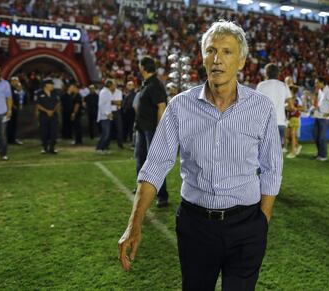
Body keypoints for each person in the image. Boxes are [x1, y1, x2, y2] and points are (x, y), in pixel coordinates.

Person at [118, 20, 283, 291]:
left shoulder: (261, 108)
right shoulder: (180, 106)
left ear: (241, 62)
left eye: (227, 52)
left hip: (246, 224)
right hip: (196, 226)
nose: (217, 59)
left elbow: (272, 168)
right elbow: (155, 166)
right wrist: (134, 223)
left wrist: (261, 222)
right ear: (203, 57)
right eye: (211, 50)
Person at [134, 55, 169, 207]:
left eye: (140, 65)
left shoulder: (154, 84)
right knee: (140, 159)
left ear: (144, 67)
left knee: (155, 162)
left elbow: (161, 106)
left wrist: (160, 130)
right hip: (142, 128)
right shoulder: (147, 83)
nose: (138, 68)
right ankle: (142, 188)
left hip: (151, 129)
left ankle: (162, 195)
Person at [256, 63, 293, 149]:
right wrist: (281, 105)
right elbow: (291, 106)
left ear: (266, 73)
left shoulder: (261, 85)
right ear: (278, 73)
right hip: (280, 123)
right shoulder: (284, 85)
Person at [313, 77, 329, 161]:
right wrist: (315, 94)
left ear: (322, 82)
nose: (316, 84)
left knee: (322, 137)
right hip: (318, 116)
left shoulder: (328, 90)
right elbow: (317, 103)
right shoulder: (319, 91)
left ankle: (323, 155)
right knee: (315, 136)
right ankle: (319, 152)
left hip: (324, 118)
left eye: (317, 82)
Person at [35, 78, 60, 154]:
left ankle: (52, 148)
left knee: (54, 132)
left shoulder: (55, 92)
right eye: (51, 84)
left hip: (53, 115)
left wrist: (53, 111)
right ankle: (45, 147)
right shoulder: (39, 93)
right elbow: (38, 105)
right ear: (46, 85)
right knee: (44, 132)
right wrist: (47, 111)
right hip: (43, 116)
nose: (52, 85)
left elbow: (58, 103)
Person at [96, 79, 115, 153]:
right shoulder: (104, 92)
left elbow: (108, 104)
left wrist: (110, 113)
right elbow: (101, 105)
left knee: (107, 133)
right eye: (113, 85)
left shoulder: (107, 92)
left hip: (107, 115)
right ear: (110, 85)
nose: (114, 86)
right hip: (104, 116)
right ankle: (99, 148)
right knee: (105, 133)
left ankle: (103, 148)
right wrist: (107, 113)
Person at [286, 85, 303, 159]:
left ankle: (293, 152)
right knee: (290, 135)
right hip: (290, 118)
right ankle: (298, 146)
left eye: (290, 90)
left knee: (292, 135)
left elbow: (302, 108)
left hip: (295, 118)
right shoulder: (290, 99)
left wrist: (293, 108)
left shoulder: (297, 99)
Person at [7, 76, 24, 145]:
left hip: (15, 109)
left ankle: (13, 138)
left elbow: (22, 96)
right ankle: (10, 139)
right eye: (14, 81)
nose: (15, 82)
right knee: (10, 125)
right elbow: (8, 98)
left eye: (16, 81)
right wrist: (12, 106)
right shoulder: (9, 89)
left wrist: (20, 89)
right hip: (11, 109)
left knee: (14, 124)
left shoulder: (16, 89)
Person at [110, 81, 124, 149]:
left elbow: (119, 103)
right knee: (108, 129)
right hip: (108, 111)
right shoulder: (106, 92)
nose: (113, 86)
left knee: (119, 128)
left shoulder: (119, 92)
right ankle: (106, 144)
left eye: (114, 85)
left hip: (117, 112)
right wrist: (114, 102)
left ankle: (120, 145)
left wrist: (110, 101)